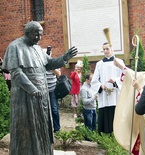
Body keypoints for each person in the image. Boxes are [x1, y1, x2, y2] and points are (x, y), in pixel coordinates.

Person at [2, 21, 78, 155]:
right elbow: (17, 73)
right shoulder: (15, 47)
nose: (38, 38)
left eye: (40, 35)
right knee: (26, 129)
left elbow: (50, 63)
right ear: (27, 32)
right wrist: (32, 89)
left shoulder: (37, 48)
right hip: (25, 96)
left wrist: (64, 58)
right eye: (36, 34)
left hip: (41, 96)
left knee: (41, 127)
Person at [91, 42, 124, 134]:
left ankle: (117, 135)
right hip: (104, 95)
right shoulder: (99, 64)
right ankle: (104, 135)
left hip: (116, 93)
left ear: (112, 49)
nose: (105, 51)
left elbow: (124, 76)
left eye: (107, 49)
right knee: (105, 114)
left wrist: (115, 81)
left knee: (115, 113)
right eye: (104, 49)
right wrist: (100, 86)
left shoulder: (119, 62)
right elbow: (94, 80)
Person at [46, 49, 61, 132]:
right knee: (45, 110)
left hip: (52, 90)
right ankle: (47, 128)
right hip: (43, 91)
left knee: (54, 110)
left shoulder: (54, 63)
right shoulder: (41, 64)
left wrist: (51, 66)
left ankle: (57, 128)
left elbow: (59, 74)